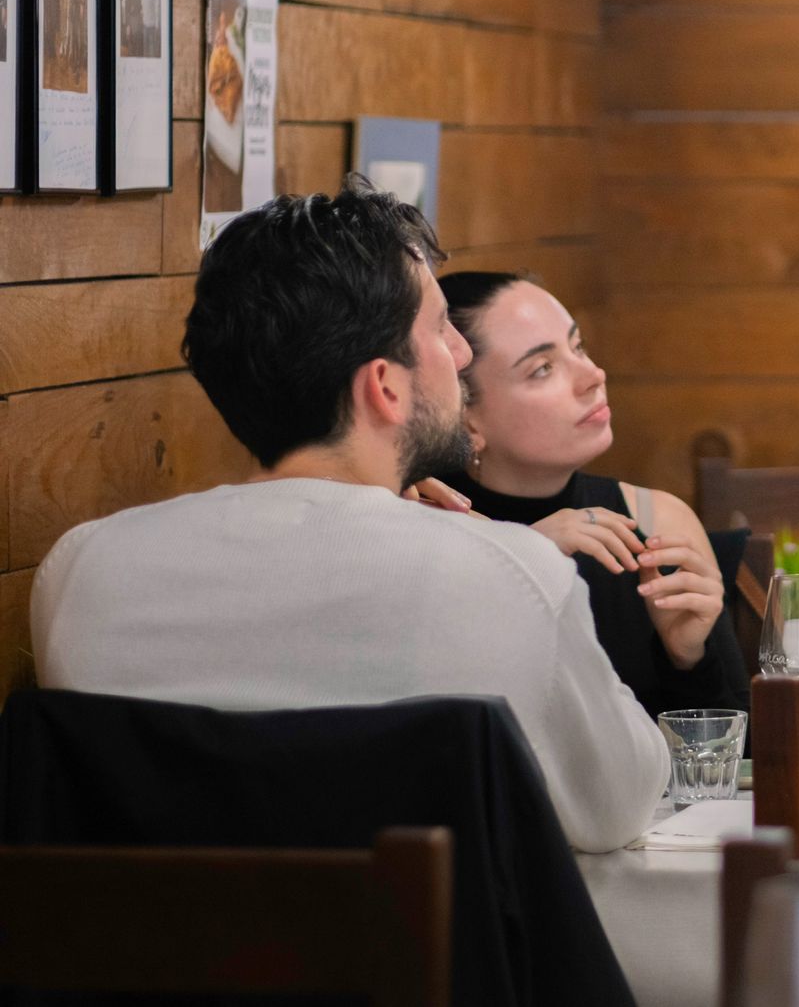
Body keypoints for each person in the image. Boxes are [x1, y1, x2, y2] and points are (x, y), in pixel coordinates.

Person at [30, 179, 667, 852]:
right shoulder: (505, 573)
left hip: (149, 956)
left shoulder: (83, 571)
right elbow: (618, 806)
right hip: (425, 956)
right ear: (385, 387)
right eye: (441, 327)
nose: (461, 354)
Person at [434, 270, 747, 719]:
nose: (593, 375)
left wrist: (688, 659)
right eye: (542, 368)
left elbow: (742, 765)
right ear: (465, 419)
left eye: (577, 347)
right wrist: (523, 552)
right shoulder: (427, 529)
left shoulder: (656, 521)